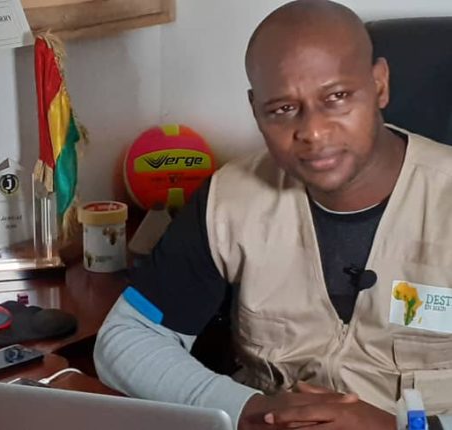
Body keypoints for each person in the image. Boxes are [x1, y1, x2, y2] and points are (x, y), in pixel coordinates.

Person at [94, 1, 452, 429]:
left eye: (337, 97)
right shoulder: (229, 198)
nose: (313, 132)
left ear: (379, 85)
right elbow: (127, 338)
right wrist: (245, 409)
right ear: (256, 109)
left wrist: (399, 427)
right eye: (283, 109)